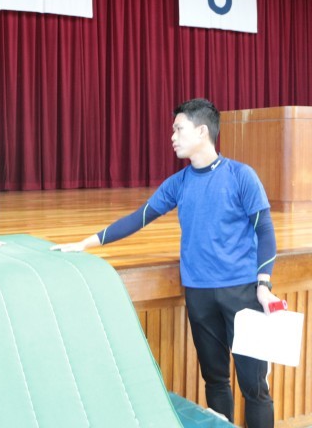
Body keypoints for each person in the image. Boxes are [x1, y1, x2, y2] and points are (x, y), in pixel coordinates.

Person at [52, 98, 280, 428]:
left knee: (255, 387)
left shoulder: (241, 176)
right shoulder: (179, 182)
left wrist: (263, 284)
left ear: (202, 131)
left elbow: (265, 230)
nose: (172, 136)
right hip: (199, 294)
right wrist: (86, 242)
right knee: (215, 381)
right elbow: (140, 217)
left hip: (243, 293)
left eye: (178, 129)